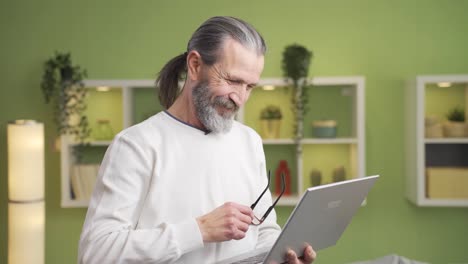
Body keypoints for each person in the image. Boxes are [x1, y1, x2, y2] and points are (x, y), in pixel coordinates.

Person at [78, 16, 316, 264]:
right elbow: (96, 253)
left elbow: (264, 231)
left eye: (250, 86)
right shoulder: (135, 145)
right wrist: (199, 230)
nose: (240, 98)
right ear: (194, 65)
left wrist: (282, 257)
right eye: (233, 81)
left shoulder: (249, 141)